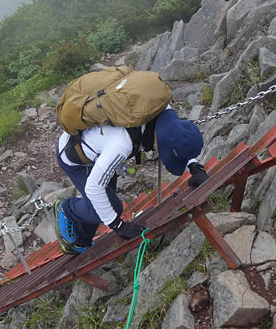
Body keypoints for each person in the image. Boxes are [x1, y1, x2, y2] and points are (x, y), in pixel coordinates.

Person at [53, 107, 209, 253]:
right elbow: (94, 187)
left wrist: (194, 166)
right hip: (74, 155)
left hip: (99, 148)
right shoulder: (121, 144)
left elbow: (176, 137)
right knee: (109, 208)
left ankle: (82, 242)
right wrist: (118, 226)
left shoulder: (161, 110)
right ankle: (66, 209)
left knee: (104, 202)